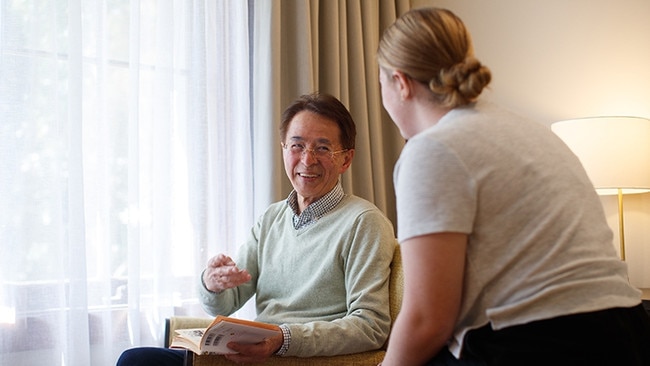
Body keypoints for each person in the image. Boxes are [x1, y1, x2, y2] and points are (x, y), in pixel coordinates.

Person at [376, 7, 650, 366]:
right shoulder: (530, 131)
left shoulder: (432, 150)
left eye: (380, 83)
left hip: (541, 343)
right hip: (627, 332)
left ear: (400, 82)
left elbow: (428, 319)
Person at [116, 92, 396, 366]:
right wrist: (212, 284)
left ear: (345, 159)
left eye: (322, 148)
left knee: (137, 361)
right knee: (136, 358)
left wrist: (283, 338)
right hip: (255, 355)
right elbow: (227, 303)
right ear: (284, 149)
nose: (307, 160)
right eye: (297, 146)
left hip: (298, 359)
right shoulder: (272, 218)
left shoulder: (364, 222)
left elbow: (370, 326)